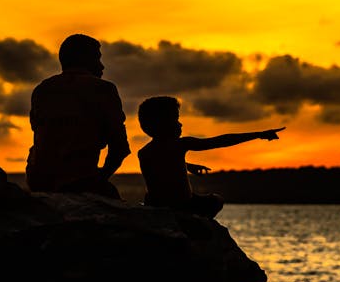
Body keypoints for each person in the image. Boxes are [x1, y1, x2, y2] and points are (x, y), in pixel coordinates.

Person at [136, 95, 284, 218]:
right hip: (182, 206)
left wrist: (188, 166)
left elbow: (163, 163)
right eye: (176, 119)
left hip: (157, 206)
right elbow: (221, 141)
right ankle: (195, 224)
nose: (180, 124)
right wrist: (259, 134)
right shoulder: (181, 144)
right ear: (163, 123)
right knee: (216, 200)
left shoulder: (144, 152)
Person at [26, 34, 131, 199]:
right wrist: (100, 178)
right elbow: (120, 148)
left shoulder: (42, 90)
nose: (102, 66)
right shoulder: (103, 89)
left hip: (38, 181)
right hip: (78, 182)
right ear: (86, 60)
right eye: (97, 59)